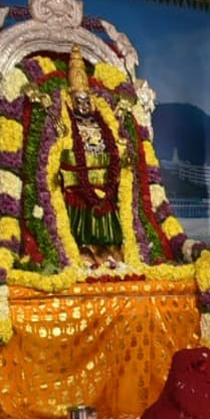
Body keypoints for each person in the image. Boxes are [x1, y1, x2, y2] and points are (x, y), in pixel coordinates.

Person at [60, 45, 124, 265]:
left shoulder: (103, 122)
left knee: (106, 214)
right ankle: (82, 254)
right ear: (71, 100)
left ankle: (109, 254)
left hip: (103, 182)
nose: (85, 105)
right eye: (80, 101)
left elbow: (115, 149)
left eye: (88, 101)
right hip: (79, 183)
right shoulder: (67, 121)